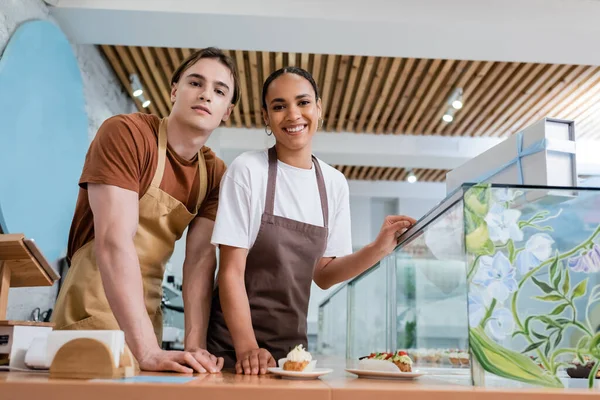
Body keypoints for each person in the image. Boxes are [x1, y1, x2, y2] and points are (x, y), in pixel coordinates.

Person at [206, 66, 417, 374]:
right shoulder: (248, 170)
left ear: (319, 108)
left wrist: (378, 248)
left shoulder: (333, 183)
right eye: (279, 106)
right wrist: (248, 348)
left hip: (291, 353)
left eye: (303, 103)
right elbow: (230, 272)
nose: (293, 115)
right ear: (266, 116)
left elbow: (324, 273)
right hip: (232, 349)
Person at [52, 47, 239, 374]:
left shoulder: (215, 174)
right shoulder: (127, 134)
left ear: (227, 111)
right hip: (90, 313)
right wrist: (147, 350)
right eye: (195, 82)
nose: (206, 94)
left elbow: (198, 263)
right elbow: (113, 242)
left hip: (146, 323)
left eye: (219, 90)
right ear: (173, 91)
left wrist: (194, 347)